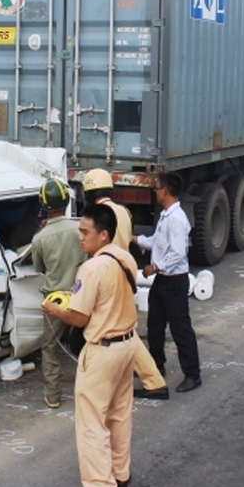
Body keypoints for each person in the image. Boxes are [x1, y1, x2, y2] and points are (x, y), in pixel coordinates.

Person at [41, 203, 138, 487]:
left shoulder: (91, 268)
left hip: (103, 350)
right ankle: (120, 473)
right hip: (128, 343)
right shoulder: (124, 258)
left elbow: (79, 318)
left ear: (104, 234)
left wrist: (56, 310)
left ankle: (99, 486)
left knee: (92, 420)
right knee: (120, 414)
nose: (80, 238)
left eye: (85, 232)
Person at [82, 168, 170, 400]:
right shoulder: (124, 211)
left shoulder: (98, 214)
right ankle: (151, 380)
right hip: (124, 272)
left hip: (107, 276)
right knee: (124, 331)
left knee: (111, 332)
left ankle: (150, 381)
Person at [132, 172, 202, 393]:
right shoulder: (165, 216)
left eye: (157, 187)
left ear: (165, 190)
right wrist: (135, 240)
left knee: (180, 328)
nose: (155, 191)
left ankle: (193, 374)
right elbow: (157, 242)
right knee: (155, 326)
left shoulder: (177, 219)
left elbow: (178, 253)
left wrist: (155, 266)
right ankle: (155, 366)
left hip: (174, 281)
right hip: (162, 282)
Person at [31, 179, 85, 409]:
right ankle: (92, 391)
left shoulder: (39, 238)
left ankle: (52, 396)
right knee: (89, 344)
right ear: (66, 200)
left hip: (55, 300)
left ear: (44, 205)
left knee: (50, 348)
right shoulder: (80, 228)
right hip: (82, 294)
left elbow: (39, 268)